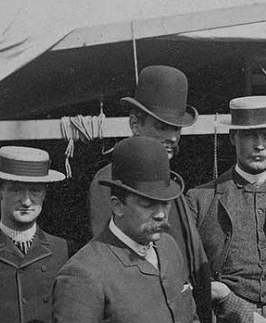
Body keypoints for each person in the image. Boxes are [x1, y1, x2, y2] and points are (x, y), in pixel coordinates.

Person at [85, 66, 210, 316]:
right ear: (135, 124)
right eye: (162, 126)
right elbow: (114, 259)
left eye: (176, 129)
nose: (172, 137)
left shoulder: (172, 184)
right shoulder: (111, 180)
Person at [183, 96, 266, 323]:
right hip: (224, 313)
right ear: (233, 137)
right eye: (250, 135)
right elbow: (185, 271)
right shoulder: (200, 200)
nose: (259, 145)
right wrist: (222, 296)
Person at [53, 137, 199, 323]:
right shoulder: (83, 274)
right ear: (117, 206)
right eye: (147, 205)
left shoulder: (168, 247)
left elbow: (191, 317)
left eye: (165, 204)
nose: (161, 215)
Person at [0, 146, 75, 323]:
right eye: (16, 190)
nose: (26, 201)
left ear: (45, 194)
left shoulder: (64, 251)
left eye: (35, 190)